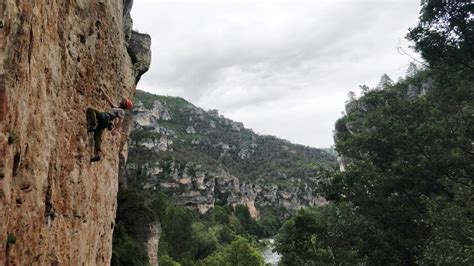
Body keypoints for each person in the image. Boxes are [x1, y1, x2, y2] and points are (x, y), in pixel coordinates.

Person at [87, 87, 133, 162]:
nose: (122, 101)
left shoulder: (122, 111)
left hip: (105, 117)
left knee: (91, 110)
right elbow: (108, 100)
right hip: (106, 122)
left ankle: (93, 124)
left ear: (125, 105)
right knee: (97, 136)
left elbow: (120, 120)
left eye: (124, 101)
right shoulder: (116, 107)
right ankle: (97, 155)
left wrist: (116, 129)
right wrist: (102, 90)